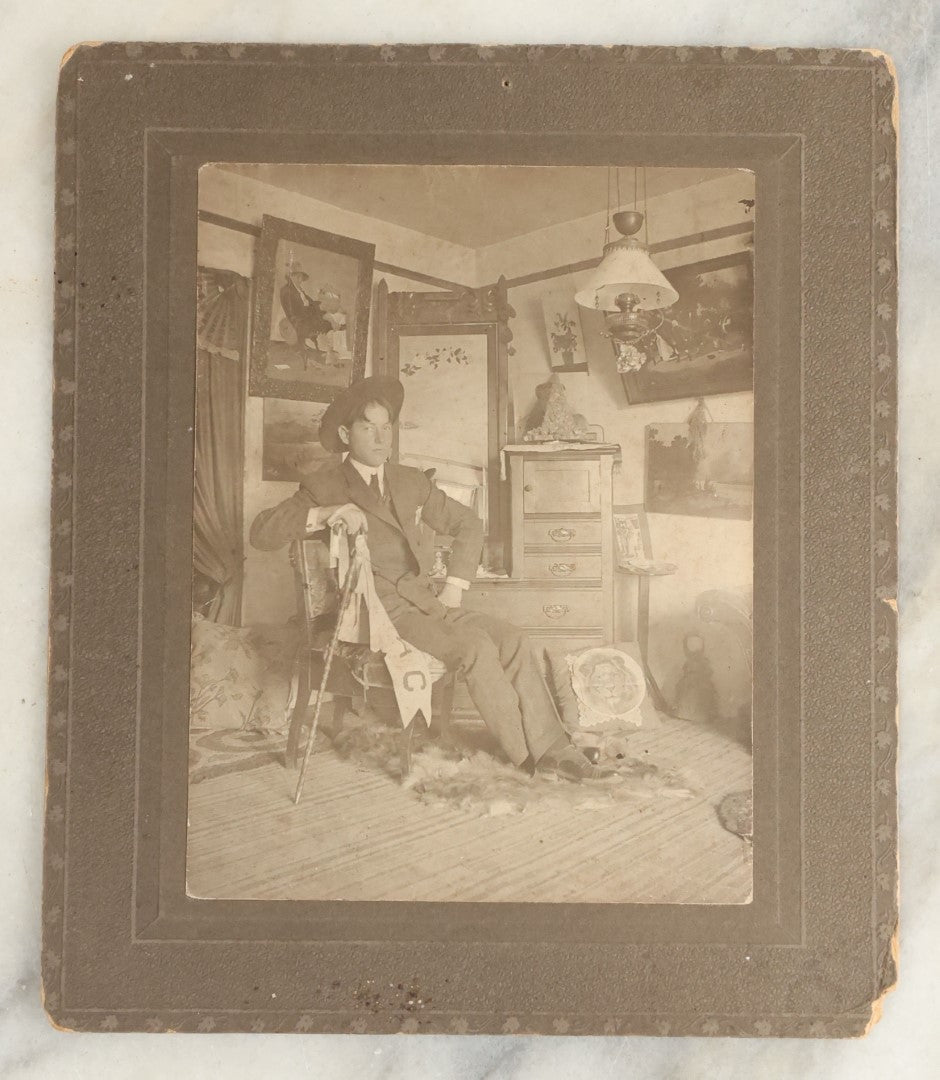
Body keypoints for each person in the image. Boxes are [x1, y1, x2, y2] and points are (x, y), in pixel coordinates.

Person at [250, 375, 614, 783]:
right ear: (344, 433)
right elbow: (261, 533)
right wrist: (325, 513)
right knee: (474, 647)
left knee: (515, 638)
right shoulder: (325, 484)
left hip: (427, 601)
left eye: (386, 427)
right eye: (368, 426)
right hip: (377, 612)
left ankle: (554, 748)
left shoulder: (410, 481)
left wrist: (455, 584)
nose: (380, 436)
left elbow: (469, 523)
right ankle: (527, 759)